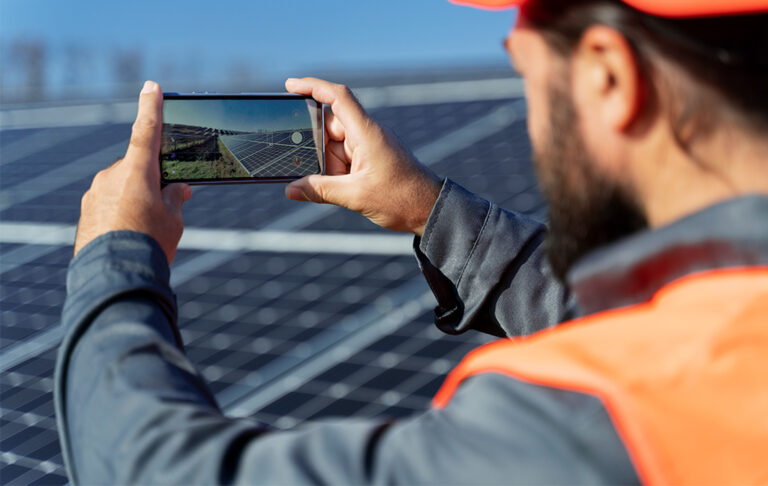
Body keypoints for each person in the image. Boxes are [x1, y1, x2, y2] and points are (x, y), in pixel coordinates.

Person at [55, 0, 768, 484]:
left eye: (524, 72)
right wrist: (431, 210)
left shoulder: (584, 423)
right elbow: (657, 335)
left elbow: (154, 469)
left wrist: (114, 257)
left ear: (611, 78)